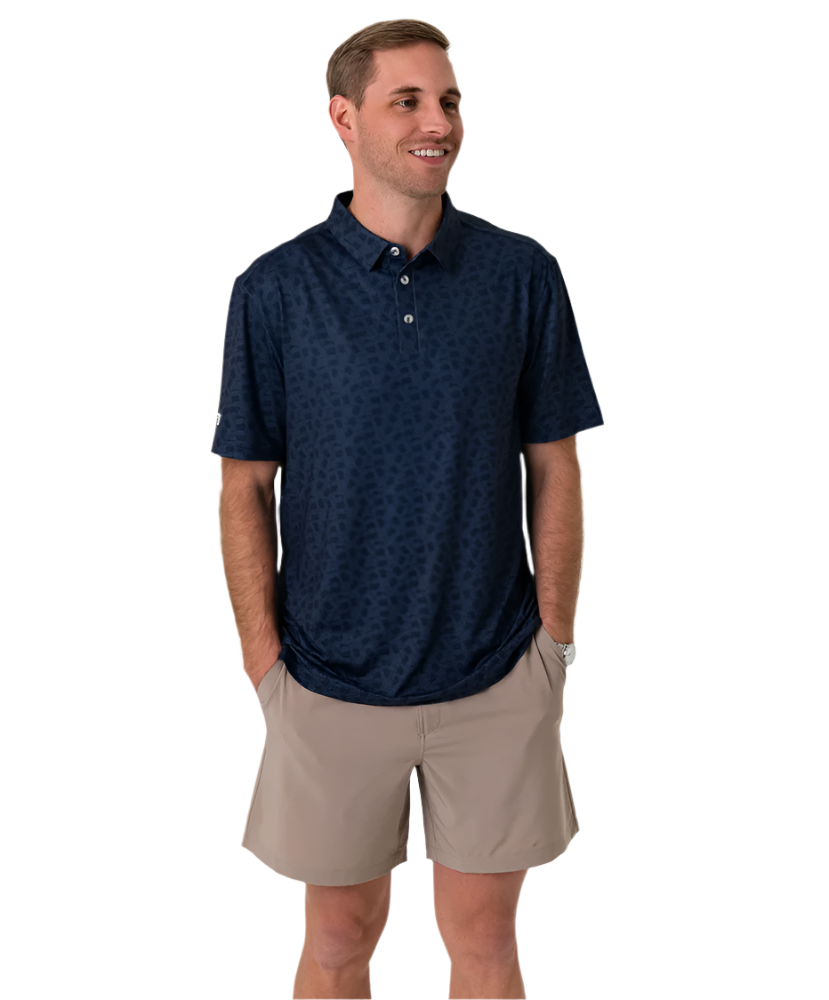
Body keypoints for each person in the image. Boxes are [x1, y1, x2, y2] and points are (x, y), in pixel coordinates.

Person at [211, 18, 603, 1000]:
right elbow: (243, 485)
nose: (439, 122)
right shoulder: (275, 291)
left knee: (486, 940)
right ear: (343, 119)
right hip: (326, 677)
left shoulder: (520, 275)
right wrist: (264, 664)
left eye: (450, 101)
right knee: (337, 939)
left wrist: (552, 642)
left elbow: (553, 465)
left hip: (495, 671)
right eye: (409, 101)